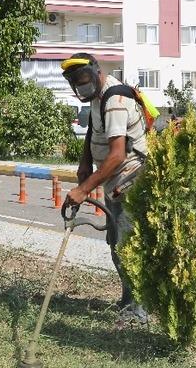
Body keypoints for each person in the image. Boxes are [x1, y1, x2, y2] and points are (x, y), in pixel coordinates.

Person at [60, 53, 149, 326]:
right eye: (77, 85)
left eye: (85, 81)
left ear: (97, 72)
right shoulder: (99, 98)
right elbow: (92, 133)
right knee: (116, 243)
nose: (82, 88)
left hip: (130, 179)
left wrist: (84, 189)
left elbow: (117, 156)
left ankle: (138, 309)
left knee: (127, 245)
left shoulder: (115, 101)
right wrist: (84, 164)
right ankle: (128, 298)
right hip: (114, 182)